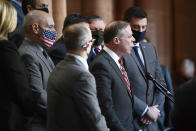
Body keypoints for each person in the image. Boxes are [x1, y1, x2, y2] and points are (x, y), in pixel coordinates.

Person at [47, 23, 108, 131]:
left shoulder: (59, 66)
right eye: (91, 41)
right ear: (86, 45)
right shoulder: (83, 77)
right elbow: (94, 117)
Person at [123, 6, 165, 131]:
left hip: (152, 123)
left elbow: (161, 84)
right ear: (127, 26)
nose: (140, 30)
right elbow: (122, 89)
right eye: (136, 27)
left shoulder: (150, 49)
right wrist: (144, 110)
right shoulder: (121, 51)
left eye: (144, 27)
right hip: (132, 121)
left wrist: (154, 109)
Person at [90, 21, 135, 131]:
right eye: (129, 36)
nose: (133, 40)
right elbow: (105, 106)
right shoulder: (101, 64)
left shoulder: (119, 60)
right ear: (116, 40)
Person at [18, 10, 56, 131]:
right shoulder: (27, 54)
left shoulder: (41, 50)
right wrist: (62, 115)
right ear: (35, 28)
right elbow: (38, 94)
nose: (54, 31)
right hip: (40, 124)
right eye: (50, 27)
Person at [0, 0, 35, 131]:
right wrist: (31, 113)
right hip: (8, 119)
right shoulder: (5, 48)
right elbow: (20, 86)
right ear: (7, 20)